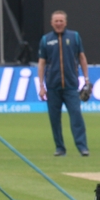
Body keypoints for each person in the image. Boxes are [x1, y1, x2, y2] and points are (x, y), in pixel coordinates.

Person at [37, 10, 90, 157]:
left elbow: (82, 58)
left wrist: (86, 79)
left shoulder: (74, 37)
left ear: (65, 22)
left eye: (61, 21)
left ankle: (82, 147)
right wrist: (41, 86)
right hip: (52, 86)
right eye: (56, 21)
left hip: (71, 86)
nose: (58, 23)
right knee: (55, 119)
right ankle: (60, 148)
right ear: (51, 23)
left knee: (76, 116)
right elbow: (41, 63)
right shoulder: (45, 40)